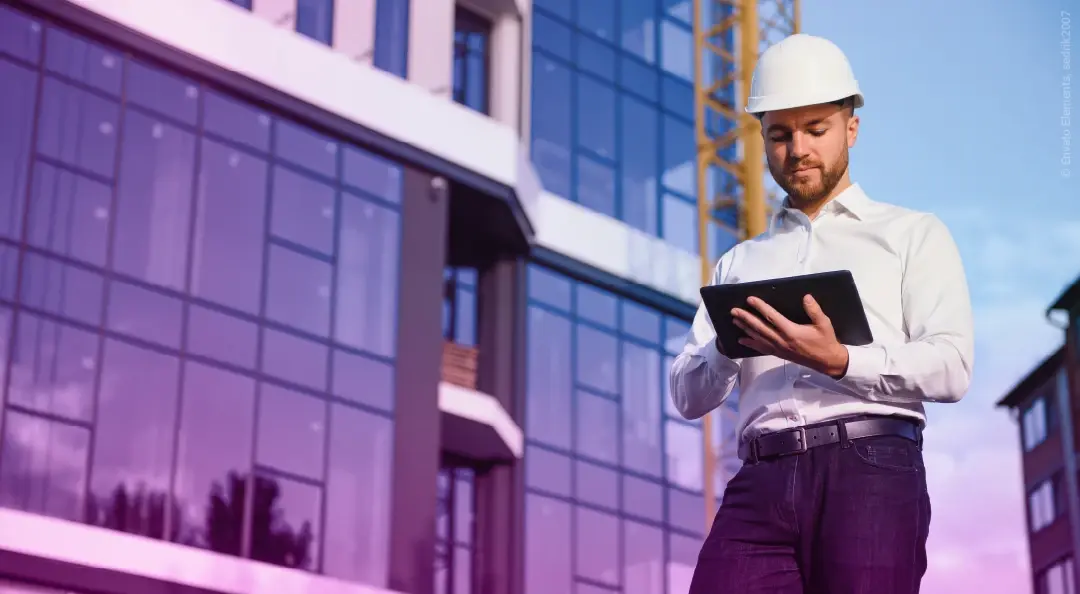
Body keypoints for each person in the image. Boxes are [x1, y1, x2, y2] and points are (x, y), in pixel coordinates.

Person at [669, 33, 974, 594]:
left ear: (851, 127)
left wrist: (841, 361)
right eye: (780, 135)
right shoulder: (738, 262)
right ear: (763, 139)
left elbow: (952, 367)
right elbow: (688, 397)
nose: (798, 150)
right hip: (759, 479)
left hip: (872, 470)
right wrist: (727, 342)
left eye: (816, 130)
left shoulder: (911, 235)